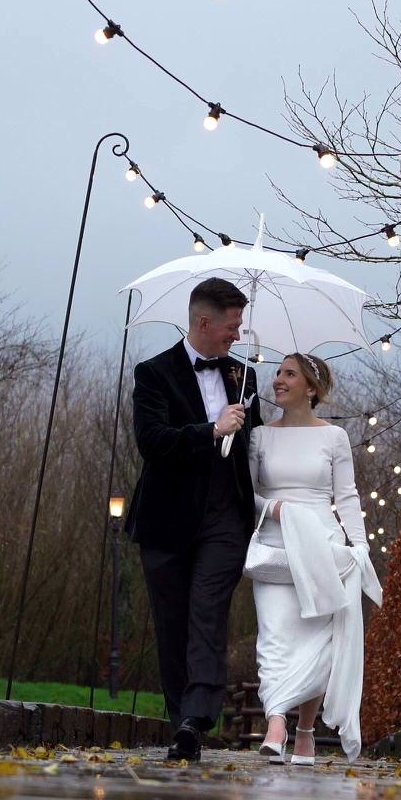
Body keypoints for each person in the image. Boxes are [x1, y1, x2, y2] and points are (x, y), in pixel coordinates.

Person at [125, 277, 261, 762]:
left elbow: (254, 450)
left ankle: (196, 716)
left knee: (208, 611)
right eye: (231, 326)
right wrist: (210, 430)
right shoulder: (153, 373)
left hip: (226, 516)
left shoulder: (244, 377)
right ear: (203, 322)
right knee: (173, 621)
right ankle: (181, 721)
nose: (237, 336)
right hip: (166, 518)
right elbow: (153, 443)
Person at [246, 353, 381, 764]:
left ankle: (304, 729)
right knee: (274, 637)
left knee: (317, 643)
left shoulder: (334, 439)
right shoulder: (259, 437)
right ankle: (275, 724)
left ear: (311, 388)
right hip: (274, 547)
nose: (277, 381)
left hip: (322, 546)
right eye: (278, 374)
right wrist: (274, 510)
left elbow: (348, 496)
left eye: (289, 374)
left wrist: (359, 548)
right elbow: (243, 494)